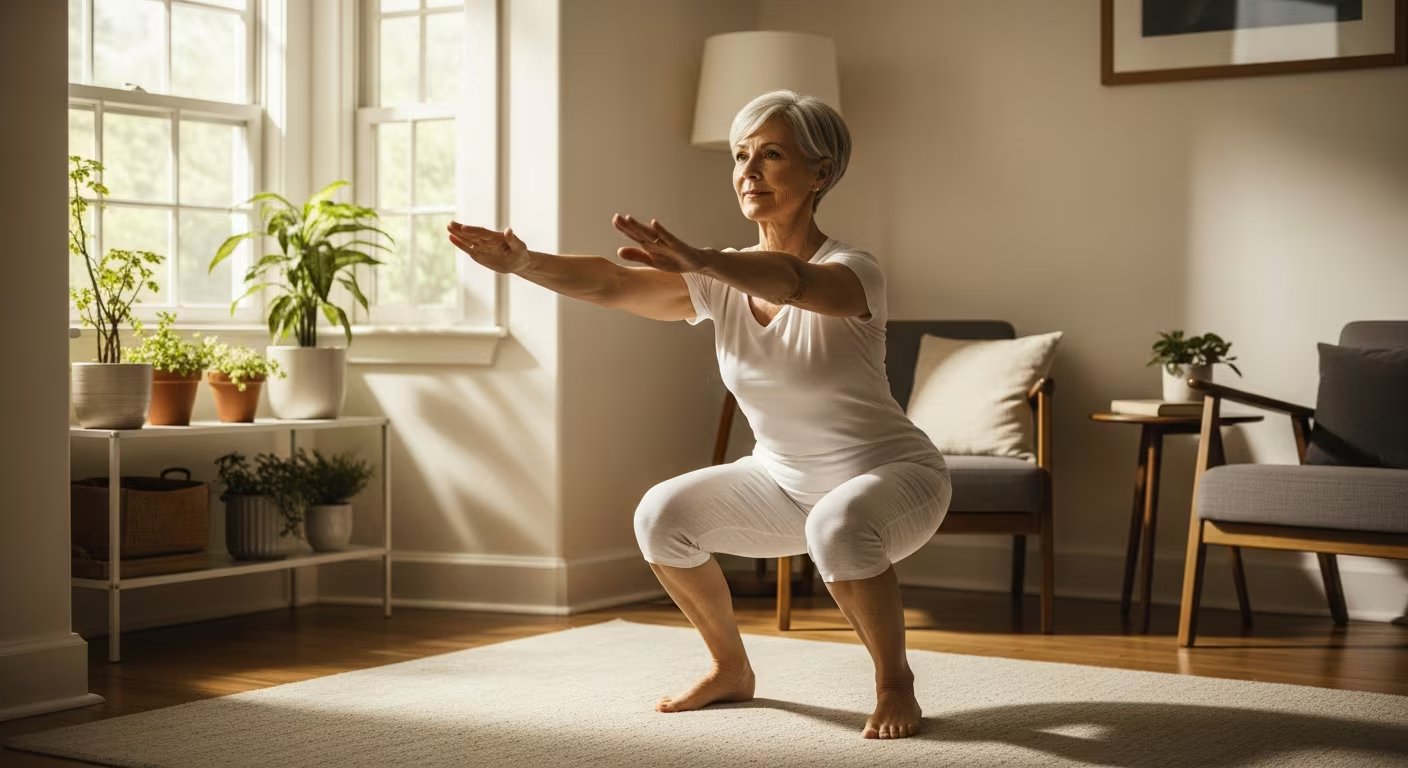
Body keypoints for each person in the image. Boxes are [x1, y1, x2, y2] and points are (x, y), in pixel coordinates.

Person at [447, 90, 951, 740]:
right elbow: (613, 283)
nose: (749, 170)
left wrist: (707, 261)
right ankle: (729, 668)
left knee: (840, 526)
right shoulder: (718, 276)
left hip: (895, 478)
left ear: (820, 173)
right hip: (783, 483)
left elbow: (797, 284)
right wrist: (525, 263)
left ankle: (894, 682)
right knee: (661, 516)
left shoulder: (854, 269)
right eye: (741, 156)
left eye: (771, 154)